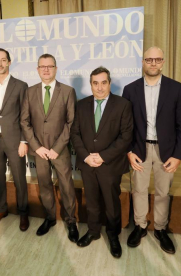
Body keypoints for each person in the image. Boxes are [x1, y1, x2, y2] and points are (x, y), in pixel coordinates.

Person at [122, 47, 181, 254]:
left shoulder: (176, 88)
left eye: (157, 59)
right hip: (139, 148)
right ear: (143, 62)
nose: (153, 63)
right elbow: (125, 125)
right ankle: (140, 226)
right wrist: (129, 151)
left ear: (163, 62)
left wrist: (178, 155)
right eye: (149, 59)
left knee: (163, 191)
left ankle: (160, 228)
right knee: (139, 189)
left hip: (166, 150)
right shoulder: (130, 89)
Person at [70, 66, 133, 258]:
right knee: (92, 201)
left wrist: (103, 156)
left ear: (109, 83)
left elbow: (126, 137)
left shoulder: (122, 105)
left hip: (110, 164)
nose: (99, 87)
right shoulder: (81, 105)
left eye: (103, 83)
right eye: (95, 83)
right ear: (90, 85)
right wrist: (86, 156)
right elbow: (75, 133)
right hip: (88, 163)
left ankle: (113, 236)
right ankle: (93, 231)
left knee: (111, 203)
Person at [20, 53, 78, 242]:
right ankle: (50, 217)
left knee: (67, 186)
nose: (46, 69)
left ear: (56, 68)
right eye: (42, 66)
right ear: (37, 70)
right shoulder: (30, 92)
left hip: (59, 150)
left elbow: (71, 122)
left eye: (49, 66)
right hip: (40, 151)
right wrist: (37, 147)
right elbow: (24, 121)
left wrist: (57, 147)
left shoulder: (68, 91)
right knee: (44, 185)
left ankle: (71, 221)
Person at [0, 48, 30, 231]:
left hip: (15, 140)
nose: (0, 63)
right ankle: (0, 209)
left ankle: (23, 212)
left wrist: (24, 141)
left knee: (19, 178)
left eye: (4, 60)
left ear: (9, 62)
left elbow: (26, 116)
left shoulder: (20, 85)